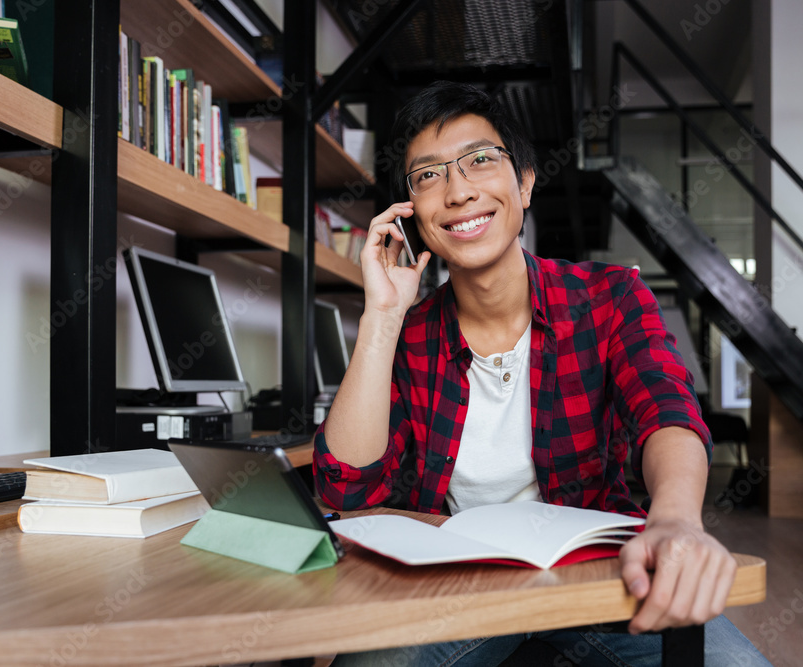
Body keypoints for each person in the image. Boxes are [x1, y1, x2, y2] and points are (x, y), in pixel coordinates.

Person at [314, 81, 770, 666]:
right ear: (411, 214)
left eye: (480, 160)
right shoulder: (410, 332)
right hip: (456, 580)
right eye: (428, 175)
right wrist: (382, 316)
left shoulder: (610, 296)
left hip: (595, 575)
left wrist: (676, 521)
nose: (457, 192)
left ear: (525, 182)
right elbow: (349, 492)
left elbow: (667, 409)